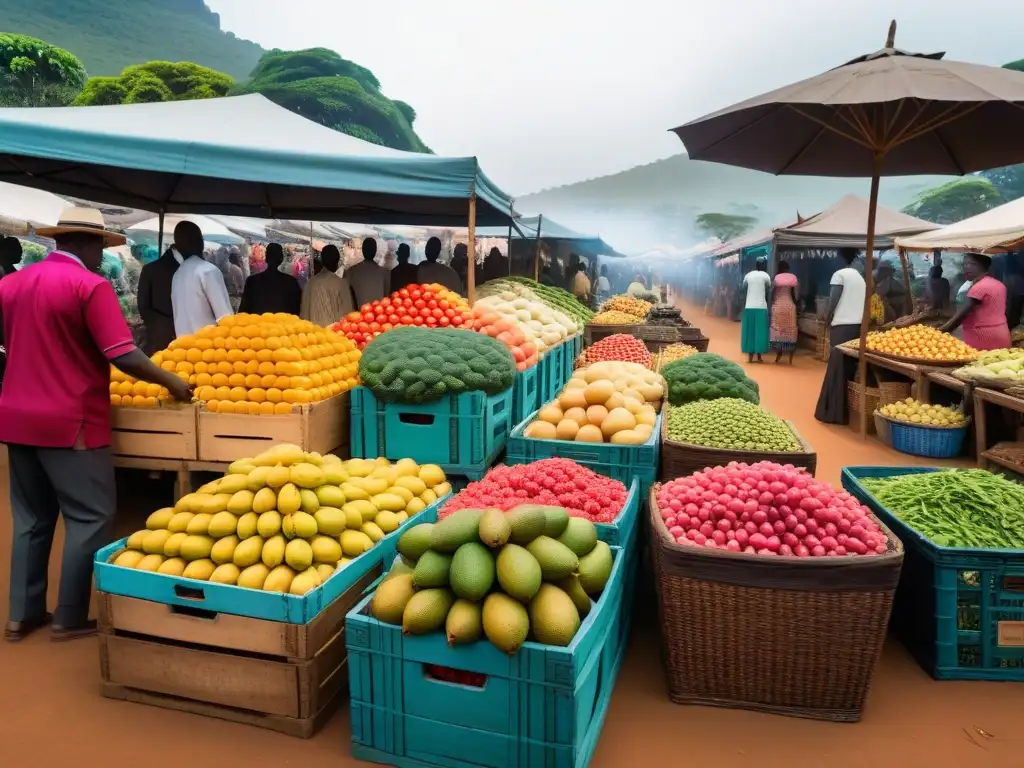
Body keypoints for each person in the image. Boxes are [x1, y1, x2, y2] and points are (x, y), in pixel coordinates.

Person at [0, 207, 192, 642]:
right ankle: (69, 617)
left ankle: (21, 615)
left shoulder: (8, 284)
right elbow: (122, 354)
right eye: (100, 249)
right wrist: (171, 380)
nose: (100, 257)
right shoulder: (88, 285)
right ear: (88, 245)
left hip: (15, 417)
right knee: (90, 517)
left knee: (31, 518)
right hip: (72, 419)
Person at [814, 248, 867, 424]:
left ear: (841, 259)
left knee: (836, 367)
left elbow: (833, 300)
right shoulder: (860, 277)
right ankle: (845, 413)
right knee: (848, 369)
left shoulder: (839, 274)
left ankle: (831, 412)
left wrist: (826, 319)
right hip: (856, 327)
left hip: (841, 326)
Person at [170, 220, 233, 337]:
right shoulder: (208, 271)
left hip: (183, 348)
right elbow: (225, 318)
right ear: (201, 243)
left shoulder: (177, 274)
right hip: (208, 348)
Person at [942, 252, 1011, 350]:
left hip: (983, 337)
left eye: (972, 264)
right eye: (964, 264)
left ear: (984, 266)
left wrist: (941, 330)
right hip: (1001, 332)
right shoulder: (999, 284)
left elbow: (962, 315)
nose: (967, 267)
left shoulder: (979, 287)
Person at [136, 238, 183, 355]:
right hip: (161, 337)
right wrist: (162, 326)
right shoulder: (152, 270)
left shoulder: (150, 269)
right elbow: (143, 306)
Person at [239, 243, 302, 316]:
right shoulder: (291, 282)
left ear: (266, 258)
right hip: (283, 325)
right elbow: (297, 310)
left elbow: (243, 311)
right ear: (281, 259)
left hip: (258, 325)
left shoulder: (252, 281)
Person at [300, 244, 354, 326]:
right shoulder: (342, 284)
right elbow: (348, 314)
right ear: (337, 261)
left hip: (312, 335)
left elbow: (304, 314)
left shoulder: (310, 283)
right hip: (334, 335)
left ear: (322, 261)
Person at [740, 258, 772, 363]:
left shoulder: (748, 275)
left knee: (750, 332)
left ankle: (750, 358)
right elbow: (768, 288)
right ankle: (759, 357)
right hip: (761, 307)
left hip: (749, 306)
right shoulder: (766, 276)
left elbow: (743, 287)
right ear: (764, 266)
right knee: (760, 332)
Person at [769, 260, 799, 364]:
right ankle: (790, 359)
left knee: (778, 330)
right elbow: (797, 295)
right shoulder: (793, 278)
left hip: (778, 306)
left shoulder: (776, 278)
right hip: (790, 307)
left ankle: (778, 355)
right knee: (790, 330)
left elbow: (771, 294)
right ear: (788, 268)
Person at [347, 237, 390, 306]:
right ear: (375, 251)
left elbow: (348, 298)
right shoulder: (385, 273)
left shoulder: (351, 272)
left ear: (363, 250)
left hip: (357, 314)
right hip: (378, 314)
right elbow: (387, 298)